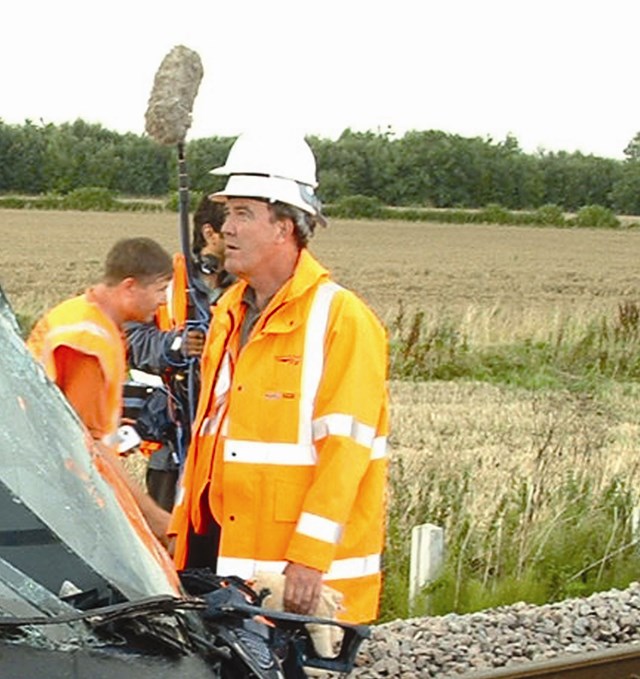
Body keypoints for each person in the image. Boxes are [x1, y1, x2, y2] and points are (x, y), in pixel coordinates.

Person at [168, 132, 389, 624]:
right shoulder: (227, 312)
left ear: (285, 227)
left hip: (296, 583)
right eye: (227, 213)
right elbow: (213, 441)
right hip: (218, 561)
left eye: (243, 213)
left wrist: (310, 558)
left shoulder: (341, 319)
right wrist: (181, 535)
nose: (225, 228)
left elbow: (345, 452)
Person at [27, 236, 174, 543]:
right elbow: (86, 449)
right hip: (56, 496)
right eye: (160, 289)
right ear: (130, 286)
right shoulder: (88, 341)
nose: (164, 301)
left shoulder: (86, 317)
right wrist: (154, 517)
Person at [124, 195, 234, 511]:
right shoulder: (166, 281)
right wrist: (175, 345)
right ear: (211, 234)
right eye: (231, 225)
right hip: (173, 437)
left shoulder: (252, 286)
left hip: (228, 440)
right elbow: (132, 338)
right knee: (165, 538)